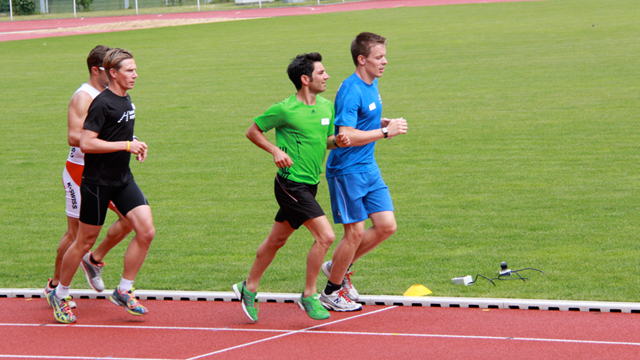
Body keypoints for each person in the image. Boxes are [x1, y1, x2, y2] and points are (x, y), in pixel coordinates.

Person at [233, 52, 350, 322]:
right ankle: (310, 296)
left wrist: (338, 142)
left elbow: (325, 140)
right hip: (290, 183)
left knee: (277, 239)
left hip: (310, 184)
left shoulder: (325, 106)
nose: (327, 76)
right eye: (322, 73)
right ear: (305, 79)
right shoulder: (285, 109)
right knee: (326, 236)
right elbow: (253, 131)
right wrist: (274, 150)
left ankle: (247, 287)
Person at [47, 48, 155, 324]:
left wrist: (135, 145)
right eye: (130, 70)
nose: (136, 75)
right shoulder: (100, 102)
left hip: (122, 179)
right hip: (96, 183)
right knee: (83, 241)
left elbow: (117, 133)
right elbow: (85, 142)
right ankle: (60, 293)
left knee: (146, 230)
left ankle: (124, 290)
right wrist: (127, 145)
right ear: (113, 73)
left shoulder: (126, 100)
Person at [320, 32, 408, 311]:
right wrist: (384, 131)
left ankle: (338, 265)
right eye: (378, 57)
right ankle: (331, 292)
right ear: (362, 60)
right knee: (355, 233)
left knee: (386, 226)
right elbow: (344, 135)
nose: (385, 62)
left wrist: (378, 121)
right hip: (346, 170)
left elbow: (361, 120)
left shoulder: (373, 83)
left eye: (384, 56)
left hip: (368, 167)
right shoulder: (350, 89)